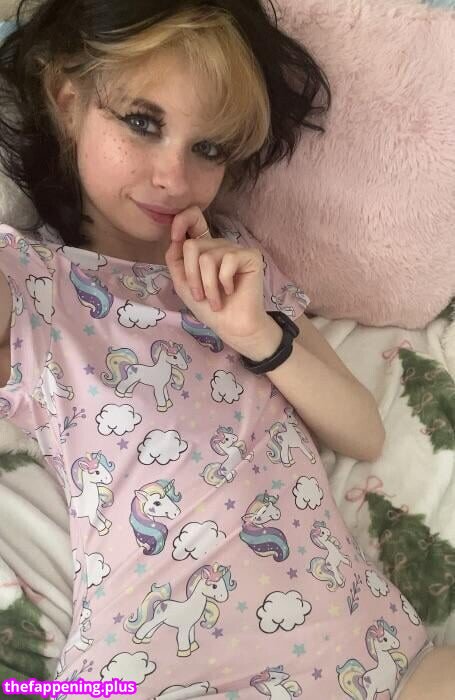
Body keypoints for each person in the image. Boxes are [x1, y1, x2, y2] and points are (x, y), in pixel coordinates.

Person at [0, 1, 450, 698]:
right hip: (158, 664)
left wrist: (257, 336)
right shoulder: (29, 281)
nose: (174, 177)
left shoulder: (239, 262)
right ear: (67, 100)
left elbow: (364, 432)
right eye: (142, 122)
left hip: (361, 646)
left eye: (208, 149)